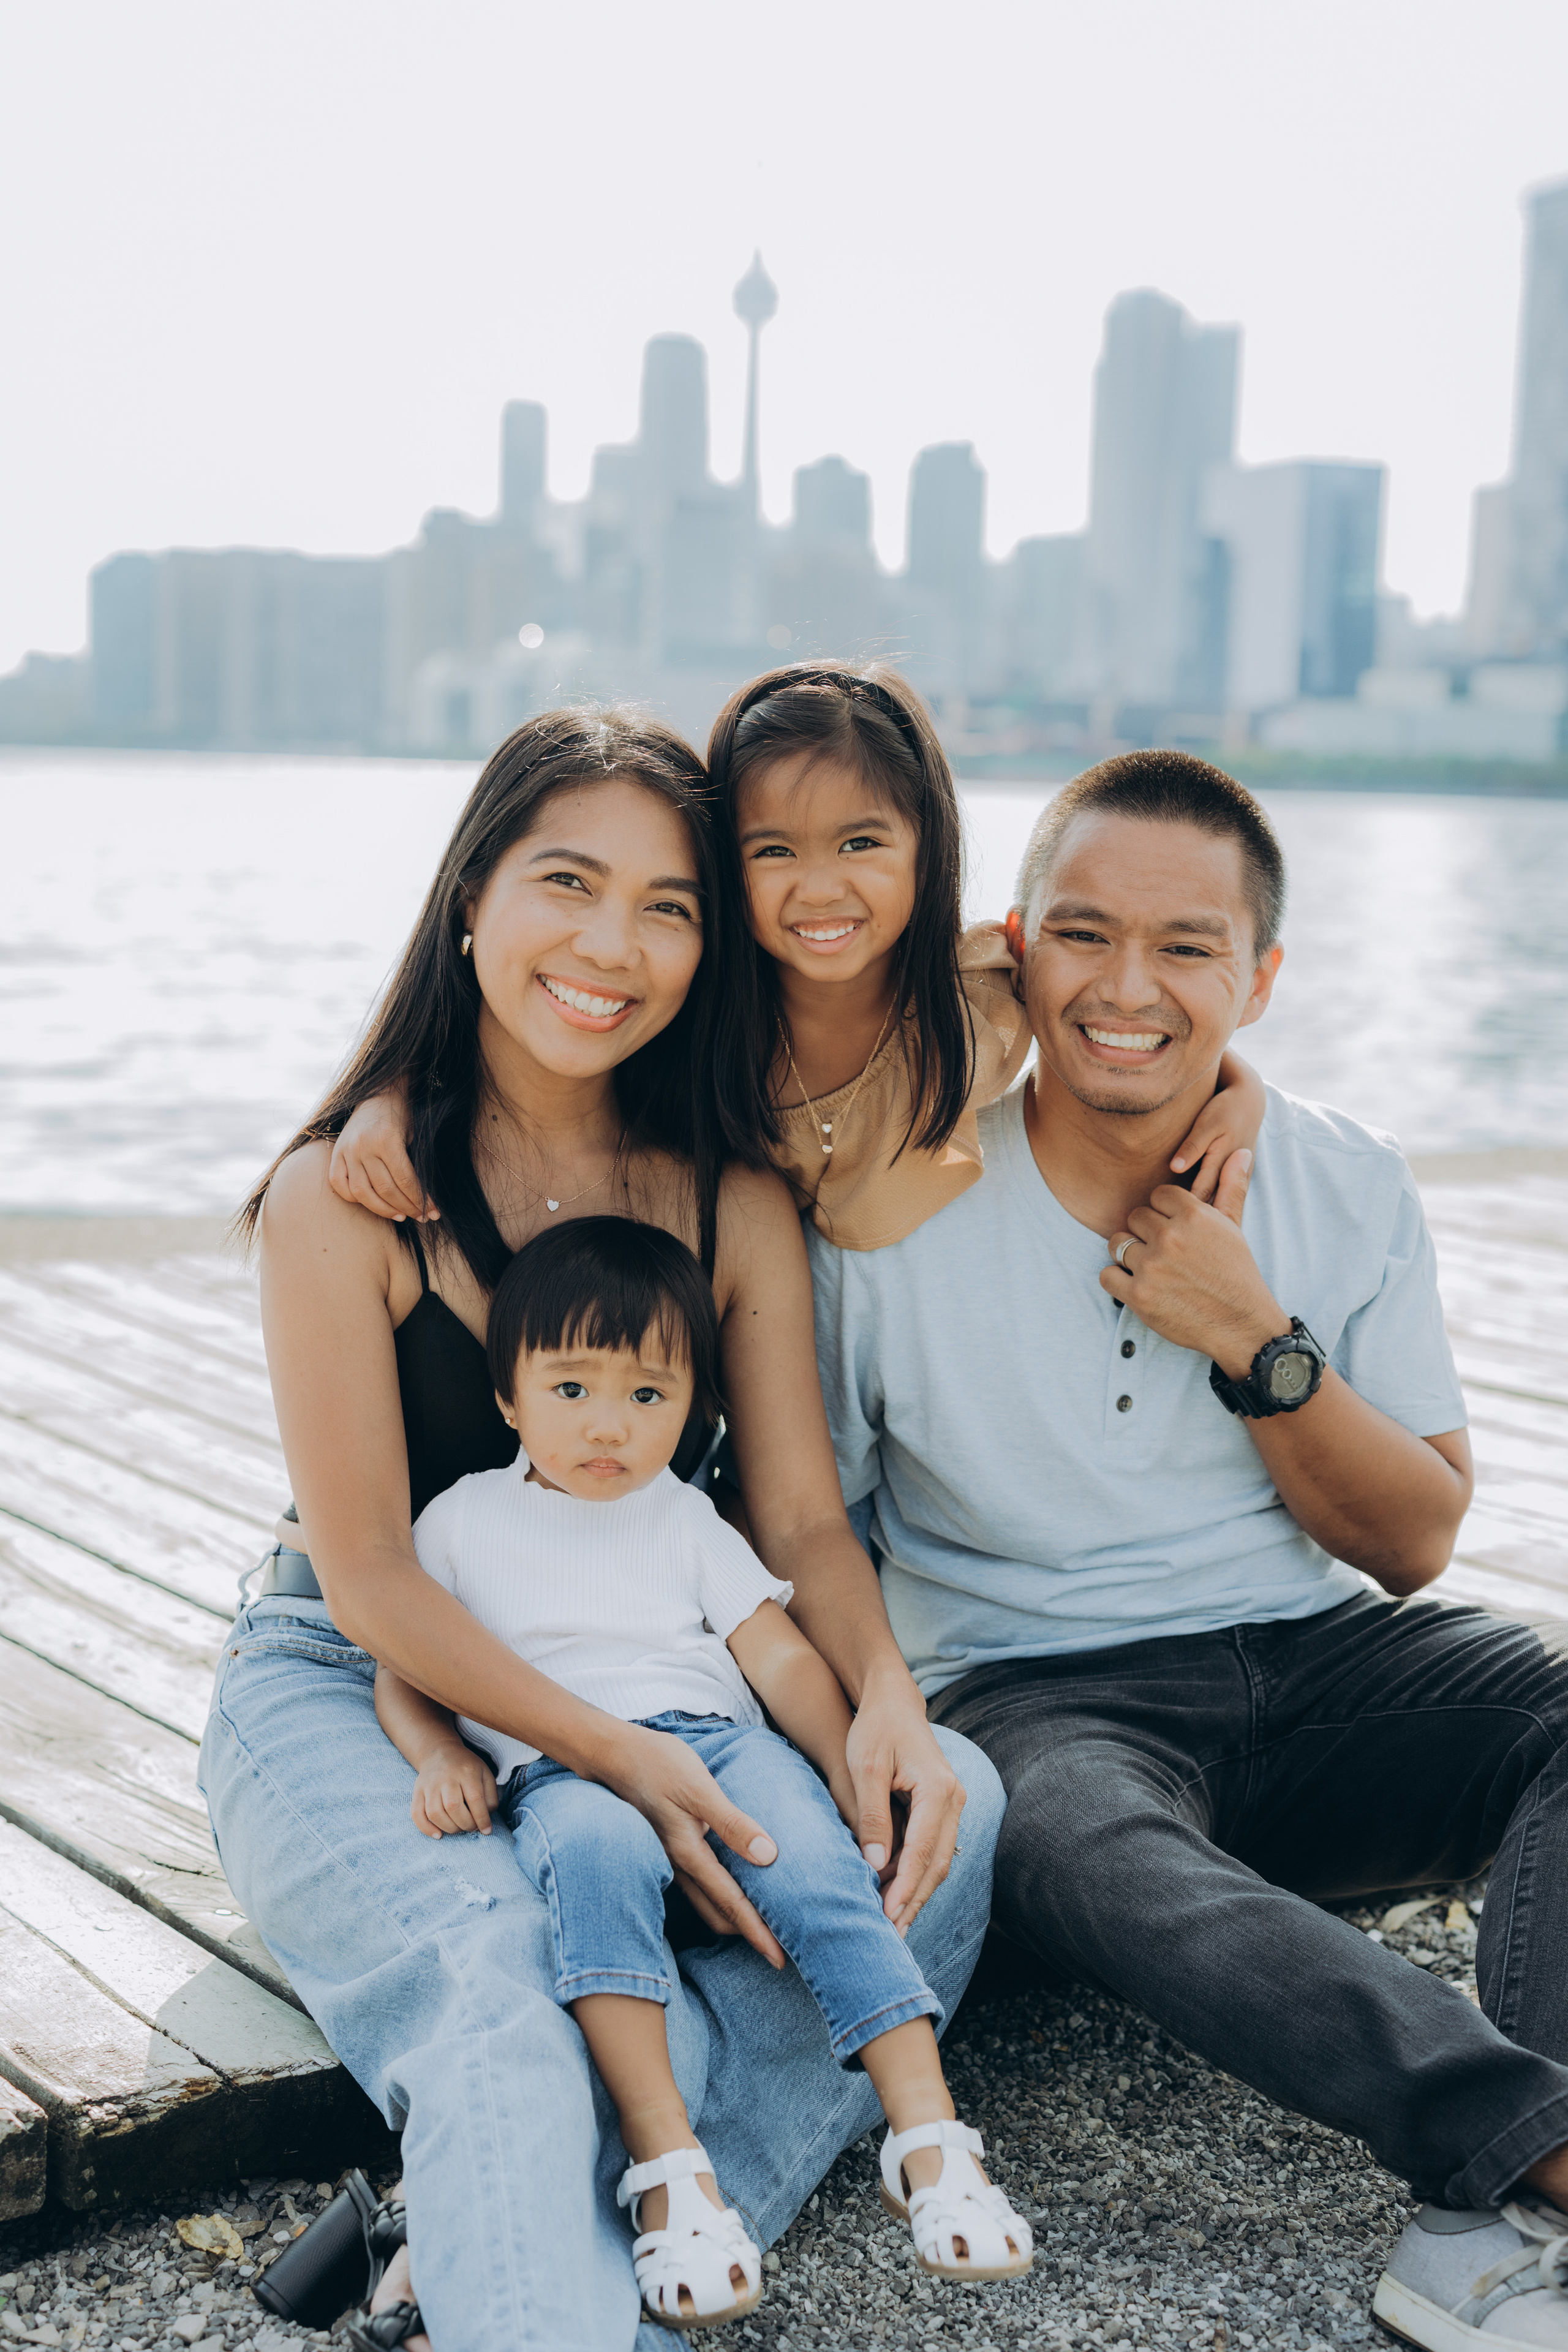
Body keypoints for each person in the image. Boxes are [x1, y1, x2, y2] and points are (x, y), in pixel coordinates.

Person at [198, 710, 1006, 2352]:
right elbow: (365, 1579)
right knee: (501, 1964)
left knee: (952, 1814)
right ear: (472, 898)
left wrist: (890, 1704)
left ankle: (502, 2235)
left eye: (670, 906)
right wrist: (621, 1763)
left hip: (662, 1657)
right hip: (367, 1683)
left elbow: (792, 1520)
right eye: (568, 883)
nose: (611, 947)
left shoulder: (732, 1195)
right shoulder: (346, 1195)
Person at [809, 746, 1568, 2352]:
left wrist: (1256, 1339)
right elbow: (815, 1528)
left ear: (1262, 976)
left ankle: (1517, 2156)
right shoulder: (891, 1213)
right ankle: (1534, 2145)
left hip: (1318, 1671)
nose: (1129, 988)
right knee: (1066, 1833)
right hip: (1041, 1701)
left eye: (1188, 948)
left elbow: (1418, 1541)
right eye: (1082, 934)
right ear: (1015, 950)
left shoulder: (1342, 1181)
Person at [376, 1215, 1032, 2331]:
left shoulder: (684, 1519)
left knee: (818, 1860)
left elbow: (774, 1655)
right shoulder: (459, 1523)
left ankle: (927, 2136)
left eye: (648, 1396)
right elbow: (410, 1670)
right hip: (566, 1764)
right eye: (571, 1388)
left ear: (693, 1410)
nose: (608, 1426)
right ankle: (668, 2164)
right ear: (507, 1397)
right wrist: (442, 1752)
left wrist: (844, 1767)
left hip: (719, 1741)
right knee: (593, 1858)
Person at [330, 665, 1267, 1251]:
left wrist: (1242, 1093)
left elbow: (1122, 1013)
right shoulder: (703, 1020)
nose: (819, 891)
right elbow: (513, 1028)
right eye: (774, 851)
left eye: (860, 846)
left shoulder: (982, 995)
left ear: (926, 850)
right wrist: (391, 1096)